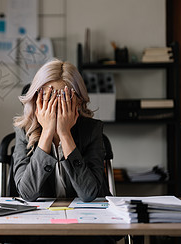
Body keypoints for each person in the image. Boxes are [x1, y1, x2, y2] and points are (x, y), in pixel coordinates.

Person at [12, 59, 111, 202]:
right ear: (36, 99)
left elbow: (88, 193)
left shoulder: (92, 130)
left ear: (78, 100)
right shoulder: (24, 131)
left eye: (64, 97)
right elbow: (27, 193)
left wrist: (65, 134)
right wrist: (47, 132)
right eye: (50, 97)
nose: (56, 105)